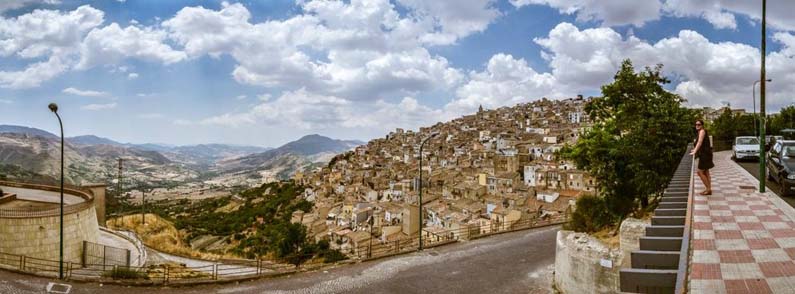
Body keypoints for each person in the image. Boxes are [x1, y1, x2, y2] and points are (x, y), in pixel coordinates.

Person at [690, 119, 713, 195]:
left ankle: (708, 189)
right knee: (706, 172)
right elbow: (699, 143)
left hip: (705, 155)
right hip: (706, 154)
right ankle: (708, 189)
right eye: (696, 124)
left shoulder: (702, 131)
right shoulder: (700, 132)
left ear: (702, 125)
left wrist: (695, 151)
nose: (697, 126)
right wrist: (694, 149)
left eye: (699, 124)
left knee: (699, 172)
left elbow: (700, 143)